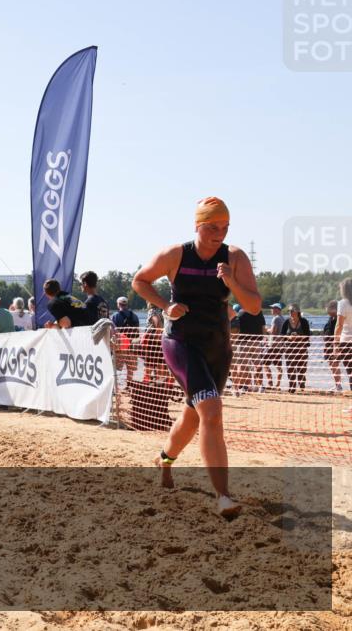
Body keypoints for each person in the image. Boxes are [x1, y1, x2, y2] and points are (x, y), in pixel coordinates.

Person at [131, 196, 260, 518]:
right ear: (197, 226)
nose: (220, 233)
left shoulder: (235, 257)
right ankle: (224, 496)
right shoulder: (176, 254)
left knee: (194, 415)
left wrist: (231, 282)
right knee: (212, 412)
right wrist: (165, 306)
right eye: (213, 227)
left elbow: (255, 306)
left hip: (218, 346)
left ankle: (165, 459)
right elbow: (140, 281)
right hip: (181, 343)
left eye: (225, 227)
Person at [233, 303, 267, 393]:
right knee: (258, 364)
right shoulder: (259, 313)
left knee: (244, 366)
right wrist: (264, 340)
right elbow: (263, 327)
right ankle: (261, 386)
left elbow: (237, 328)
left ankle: (244, 386)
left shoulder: (240, 313)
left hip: (243, 342)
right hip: (256, 342)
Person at [280, 303, 311, 392]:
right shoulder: (286, 321)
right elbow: (281, 335)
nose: (290, 312)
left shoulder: (304, 321)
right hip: (289, 349)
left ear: (297, 312)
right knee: (290, 368)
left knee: (302, 368)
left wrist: (298, 337)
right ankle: (292, 387)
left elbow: (308, 335)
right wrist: (288, 337)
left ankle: (302, 385)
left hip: (302, 349)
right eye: (289, 311)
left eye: (292, 311)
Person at [112, 297, 141, 379]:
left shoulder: (115, 316)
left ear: (118, 304)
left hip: (120, 345)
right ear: (126, 304)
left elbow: (112, 332)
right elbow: (137, 331)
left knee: (115, 368)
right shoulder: (135, 316)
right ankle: (129, 385)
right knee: (130, 368)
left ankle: (116, 386)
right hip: (132, 345)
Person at [263, 303, 286, 390]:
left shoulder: (275, 319)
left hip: (273, 345)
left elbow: (273, 331)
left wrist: (266, 329)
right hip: (281, 345)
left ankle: (270, 383)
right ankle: (278, 385)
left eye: (272, 308)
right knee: (278, 365)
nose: (271, 310)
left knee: (265, 364)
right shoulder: (283, 319)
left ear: (277, 309)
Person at [336, 279, 352, 394]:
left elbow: (339, 325)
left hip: (346, 341)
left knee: (350, 372)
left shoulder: (343, 303)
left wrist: (335, 344)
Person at [323, 300, 343, 392]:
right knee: (332, 365)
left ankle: (339, 386)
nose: (328, 312)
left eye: (329, 310)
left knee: (335, 364)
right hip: (328, 345)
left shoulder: (338, 318)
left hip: (336, 345)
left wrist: (336, 345)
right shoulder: (330, 319)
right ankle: (337, 385)